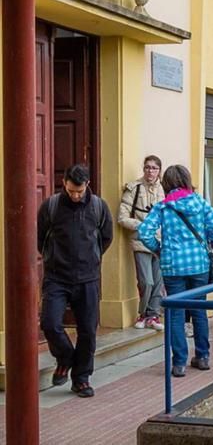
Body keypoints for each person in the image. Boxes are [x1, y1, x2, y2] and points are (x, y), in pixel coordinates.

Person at [138, 165, 213, 378]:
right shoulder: (200, 203)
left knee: (175, 313)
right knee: (199, 310)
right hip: (198, 265)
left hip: (172, 266)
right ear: (187, 180)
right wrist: (204, 240)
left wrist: (158, 249)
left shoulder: (163, 207)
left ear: (166, 184)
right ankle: (203, 357)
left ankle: (179, 363)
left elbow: (144, 232)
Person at [39, 164, 113, 398]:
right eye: (71, 190)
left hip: (88, 277)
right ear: (65, 184)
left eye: (79, 191)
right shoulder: (51, 206)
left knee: (88, 331)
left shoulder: (99, 207)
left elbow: (106, 237)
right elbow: (39, 238)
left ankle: (81, 379)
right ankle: (65, 358)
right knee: (50, 323)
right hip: (56, 277)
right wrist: (54, 259)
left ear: (87, 185)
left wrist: (91, 258)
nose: (75, 195)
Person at [117, 155, 166, 331]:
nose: (150, 171)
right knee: (147, 281)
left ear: (159, 170)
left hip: (161, 242)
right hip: (141, 242)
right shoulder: (134, 188)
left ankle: (153, 315)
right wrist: (143, 225)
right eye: (147, 167)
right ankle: (143, 314)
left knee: (158, 282)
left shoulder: (164, 190)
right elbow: (122, 218)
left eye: (154, 168)